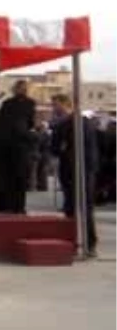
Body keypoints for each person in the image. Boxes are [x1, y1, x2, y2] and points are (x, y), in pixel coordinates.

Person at [50, 95, 100, 258]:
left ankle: (75, 241)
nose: (54, 109)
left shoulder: (66, 124)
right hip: (85, 168)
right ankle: (88, 243)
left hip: (75, 168)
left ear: (66, 104)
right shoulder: (86, 122)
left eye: (56, 105)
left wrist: (63, 150)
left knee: (74, 207)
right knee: (82, 206)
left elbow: (55, 148)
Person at [0, 80, 36, 213]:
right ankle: (20, 207)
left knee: (8, 177)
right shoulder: (30, 103)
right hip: (21, 145)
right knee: (21, 178)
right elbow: (30, 123)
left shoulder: (6, 104)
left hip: (6, 145)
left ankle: (10, 205)